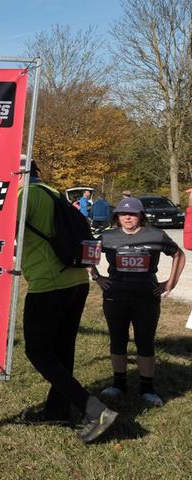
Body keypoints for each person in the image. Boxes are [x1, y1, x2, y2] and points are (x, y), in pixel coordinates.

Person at [18, 158, 117, 443]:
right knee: (62, 350)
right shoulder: (51, 191)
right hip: (75, 281)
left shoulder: (28, 195)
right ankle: (58, 411)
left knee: (38, 351)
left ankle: (94, 410)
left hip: (49, 284)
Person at [90, 197, 185, 407]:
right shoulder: (107, 237)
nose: (127, 217)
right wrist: (97, 277)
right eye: (123, 214)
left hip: (146, 298)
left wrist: (171, 283)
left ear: (141, 215)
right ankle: (118, 384)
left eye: (132, 214)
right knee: (117, 339)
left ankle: (147, 388)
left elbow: (178, 255)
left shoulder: (156, 235)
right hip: (116, 297)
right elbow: (87, 255)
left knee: (145, 341)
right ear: (117, 217)